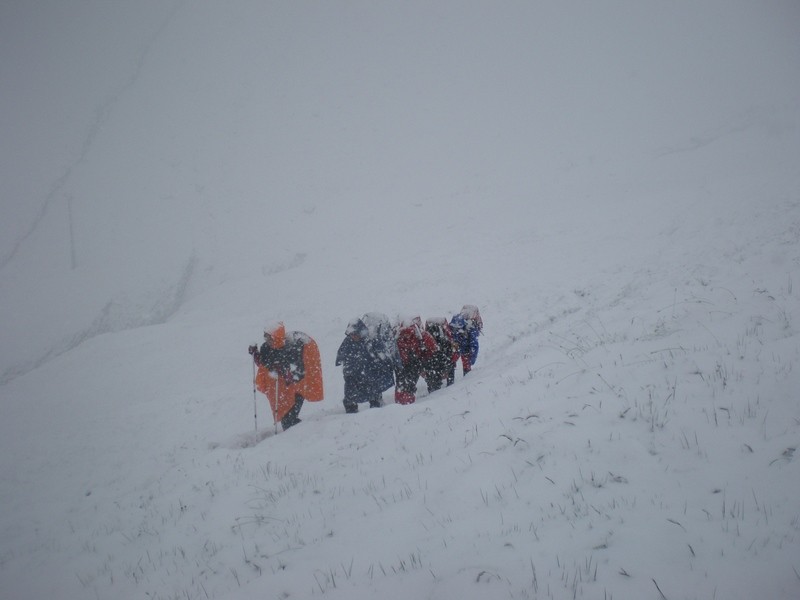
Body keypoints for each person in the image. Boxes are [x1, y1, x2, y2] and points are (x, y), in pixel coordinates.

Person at [248, 321, 324, 430]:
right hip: (283, 391)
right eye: (266, 337)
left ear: (276, 337)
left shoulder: (291, 350)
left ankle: (302, 433)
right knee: (286, 419)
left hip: (297, 390)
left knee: (288, 420)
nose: (267, 341)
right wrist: (255, 354)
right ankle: (297, 434)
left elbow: (298, 374)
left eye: (269, 338)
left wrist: (283, 371)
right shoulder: (266, 347)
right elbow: (263, 363)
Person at [394, 315, 437, 405]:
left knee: (407, 383)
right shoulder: (400, 338)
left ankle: (404, 403)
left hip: (417, 361)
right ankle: (403, 401)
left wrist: (425, 363)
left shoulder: (422, 336)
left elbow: (433, 349)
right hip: (409, 362)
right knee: (406, 383)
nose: (407, 336)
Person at [361, 311, 400, 407]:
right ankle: (376, 402)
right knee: (375, 385)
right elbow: (391, 348)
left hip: (374, 366)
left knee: (373, 385)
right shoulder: (380, 338)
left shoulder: (367, 339)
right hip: (378, 365)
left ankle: (376, 402)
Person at [335, 318, 374, 413]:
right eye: (351, 334)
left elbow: (372, 354)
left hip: (365, 371)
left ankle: (375, 407)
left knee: (372, 389)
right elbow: (341, 352)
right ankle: (351, 409)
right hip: (351, 372)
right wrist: (340, 360)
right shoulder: (348, 341)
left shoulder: (366, 341)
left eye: (355, 334)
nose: (353, 336)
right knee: (350, 392)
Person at [422, 317, 459, 391]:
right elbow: (455, 350)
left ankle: (433, 391)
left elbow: (423, 352)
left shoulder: (426, 338)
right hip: (445, 360)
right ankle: (450, 387)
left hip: (431, 363)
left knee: (432, 381)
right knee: (449, 372)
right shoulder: (447, 337)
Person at [450, 305, 483, 377]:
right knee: (466, 367)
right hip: (465, 349)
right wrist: (472, 359)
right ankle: (466, 379)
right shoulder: (471, 326)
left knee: (451, 362)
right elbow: (474, 345)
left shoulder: (457, 320)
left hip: (455, 346)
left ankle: (450, 381)